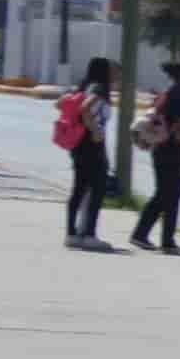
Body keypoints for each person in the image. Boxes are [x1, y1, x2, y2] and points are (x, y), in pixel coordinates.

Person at [127, 55, 180, 253]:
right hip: (173, 151)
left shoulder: (166, 94)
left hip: (160, 149)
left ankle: (153, 236)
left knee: (165, 194)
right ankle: (157, 238)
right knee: (170, 195)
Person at [57, 57, 120, 245]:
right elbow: (86, 108)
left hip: (78, 145)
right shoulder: (99, 88)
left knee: (78, 189)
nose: (116, 75)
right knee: (97, 189)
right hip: (93, 146)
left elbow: (60, 103)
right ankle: (90, 235)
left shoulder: (82, 87)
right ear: (105, 72)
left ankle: (72, 234)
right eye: (114, 71)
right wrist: (95, 129)